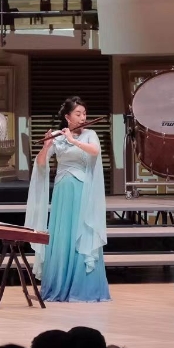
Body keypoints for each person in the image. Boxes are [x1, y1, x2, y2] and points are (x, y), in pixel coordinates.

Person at [23, 96, 110, 302]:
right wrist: (47, 146)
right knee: (62, 234)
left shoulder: (89, 134)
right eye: (78, 114)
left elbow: (95, 152)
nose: (83, 117)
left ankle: (83, 288)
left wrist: (73, 141)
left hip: (82, 190)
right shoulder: (58, 136)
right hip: (62, 191)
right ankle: (58, 285)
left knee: (81, 231)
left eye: (84, 114)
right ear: (67, 117)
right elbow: (41, 164)